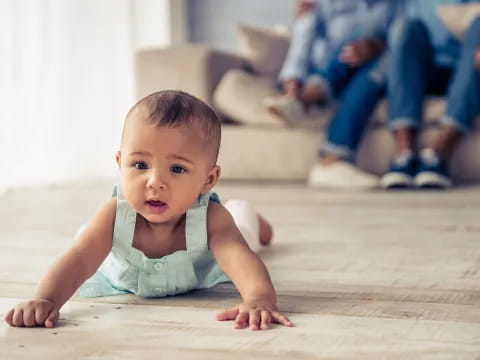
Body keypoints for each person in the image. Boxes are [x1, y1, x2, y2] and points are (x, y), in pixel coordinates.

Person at [4, 90, 292, 331]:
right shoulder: (116, 214)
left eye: (177, 168)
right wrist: (45, 298)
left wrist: (258, 298)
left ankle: (245, 212)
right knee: (88, 238)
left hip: (209, 265)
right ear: (120, 163)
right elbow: (79, 260)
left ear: (208, 179)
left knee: (242, 233)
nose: (154, 182)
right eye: (140, 165)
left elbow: (240, 259)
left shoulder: (212, 218)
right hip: (119, 264)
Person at [264, 0, 395, 188]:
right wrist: (292, 81)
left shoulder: (397, 5)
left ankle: (308, 101)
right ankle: (306, 100)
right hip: (329, 69)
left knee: (376, 46)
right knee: (364, 33)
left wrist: (375, 46)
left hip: (374, 72)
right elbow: (304, 33)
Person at [381, 0, 480, 189]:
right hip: (426, 70)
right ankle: (404, 154)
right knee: (406, 27)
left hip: (469, 68)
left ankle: (439, 153)